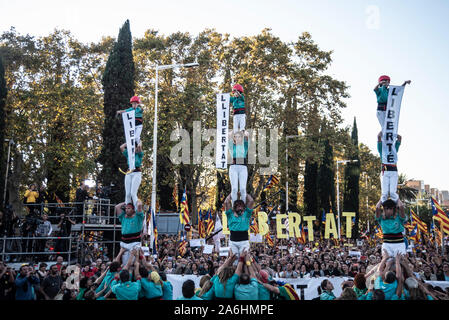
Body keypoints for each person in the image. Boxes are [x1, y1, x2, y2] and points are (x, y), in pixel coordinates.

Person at [224, 193, 254, 258]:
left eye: (241, 206)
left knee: (245, 260)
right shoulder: (230, 214)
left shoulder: (246, 214)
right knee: (234, 260)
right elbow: (226, 202)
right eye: (238, 206)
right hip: (233, 242)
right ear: (234, 207)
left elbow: (251, 201)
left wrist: (244, 192)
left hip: (244, 241)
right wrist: (233, 192)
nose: (240, 208)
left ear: (244, 207)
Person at [115, 201, 144, 266]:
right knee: (125, 263)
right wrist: (126, 201)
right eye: (126, 208)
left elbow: (139, 204)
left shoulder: (138, 217)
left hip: (134, 242)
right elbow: (117, 207)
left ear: (133, 210)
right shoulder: (123, 217)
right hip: (124, 242)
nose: (126, 210)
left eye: (129, 208)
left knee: (134, 263)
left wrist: (135, 200)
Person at [377, 132, 401, 203]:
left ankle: (397, 205)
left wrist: (392, 132)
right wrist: (384, 130)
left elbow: (399, 138)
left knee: (392, 192)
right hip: (385, 171)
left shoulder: (394, 149)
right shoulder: (381, 149)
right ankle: (384, 208)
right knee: (384, 193)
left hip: (394, 171)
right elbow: (378, 137)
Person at [228, 131, 249, 204]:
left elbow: (247, 135)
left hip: (243, 167)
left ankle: (242, 206)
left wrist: (243, 130)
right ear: (234, 138)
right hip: (233, 167)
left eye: (239, 137)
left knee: (243, 189)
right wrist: (235, 129)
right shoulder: (231, 146)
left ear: (241, 138)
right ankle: (234, 206)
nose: (237, 138)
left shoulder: (245, 146)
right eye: (236, 137)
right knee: (234, 189)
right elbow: (229, 134)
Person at [120, 142, 144, 206]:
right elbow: (121, 147)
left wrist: (139, 141)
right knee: (128, 194)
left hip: (137, 173)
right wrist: (128, 141)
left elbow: (139, 146)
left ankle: (136, 209)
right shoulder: (129, 153)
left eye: (134, 147)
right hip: (129, 172)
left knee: (133, 193)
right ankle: (127, 209)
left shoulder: (139, 154)